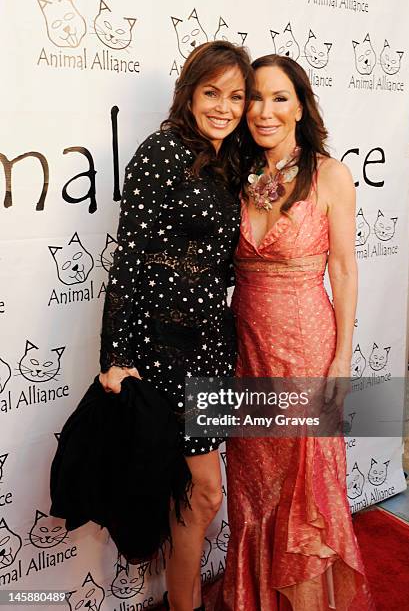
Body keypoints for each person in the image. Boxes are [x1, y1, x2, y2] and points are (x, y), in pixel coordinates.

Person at [98, 41, 253, 611]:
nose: (224, 106)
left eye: (236, 96)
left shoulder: (231, 161)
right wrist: (114, 354)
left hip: (211, 344)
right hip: (163, 350)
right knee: (204, 490)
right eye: (212, 92)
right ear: (188, 92)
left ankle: (183, 601)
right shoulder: (160, 151)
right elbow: (130, 258)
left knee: (196, 496)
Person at [219, 55, 375, 610]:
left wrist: (342, 358)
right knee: (253, 479)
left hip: (307, 344)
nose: (263, 110)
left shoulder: (329, 174)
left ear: (302, 105)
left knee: (303, 480)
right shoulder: (235, 172)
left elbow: (345, 268)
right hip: (245, 347)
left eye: (279, 97)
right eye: (254, 97)